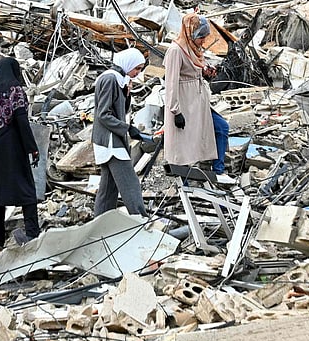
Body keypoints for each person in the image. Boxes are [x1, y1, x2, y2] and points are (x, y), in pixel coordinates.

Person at [0, 57, 40, 249]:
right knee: (26, 190)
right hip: (11, 146)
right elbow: (21, 120)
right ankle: (32, 234)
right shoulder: (14, 89)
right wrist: (32, 147)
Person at [163, 13, 231, 183]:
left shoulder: (194, 50)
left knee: (221, 127)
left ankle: (218, 171)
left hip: (198, 101)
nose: (202, 41)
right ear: (190, 33)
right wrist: (175, 110)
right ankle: (183, 186)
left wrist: (206, 73)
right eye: (200, 37)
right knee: (184, 146)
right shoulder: (176, 50)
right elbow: (171, 83)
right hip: (184, 103)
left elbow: (195, 72)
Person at [91, 48, 150, 216]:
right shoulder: (110, 79)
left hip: (110, 139)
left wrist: (127, 93)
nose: (137, 73)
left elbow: (119, 110)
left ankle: (100, 222)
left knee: (108, 188)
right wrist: (127, 128)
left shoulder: (118, 79)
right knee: (130, 184)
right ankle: (141, 220)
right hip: (109, 140)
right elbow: (103, 114)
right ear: (128, 63)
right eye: (137, 68)